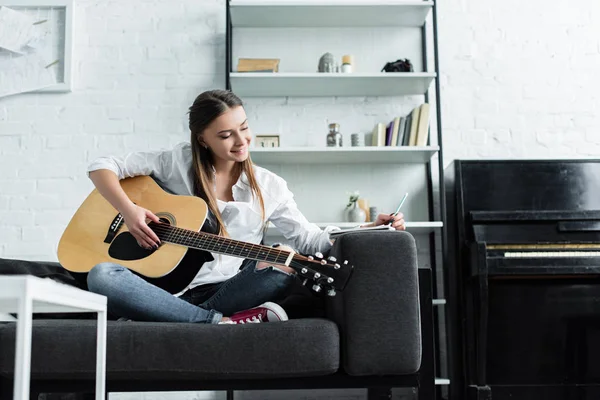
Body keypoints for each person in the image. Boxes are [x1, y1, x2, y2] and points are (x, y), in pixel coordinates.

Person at [85, 89, 406, 325]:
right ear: (202, 140)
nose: (241, 142)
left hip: (229, 289)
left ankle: (178, 318)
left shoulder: (269, 187)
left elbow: (311, 241)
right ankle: (217, 323)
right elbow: (102, 165)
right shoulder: (175, 164)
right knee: (102, 275)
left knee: (283, 262)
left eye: (244, 128)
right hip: (162, 286)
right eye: (226, 135)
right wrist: (129, 210)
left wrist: (371, 229)